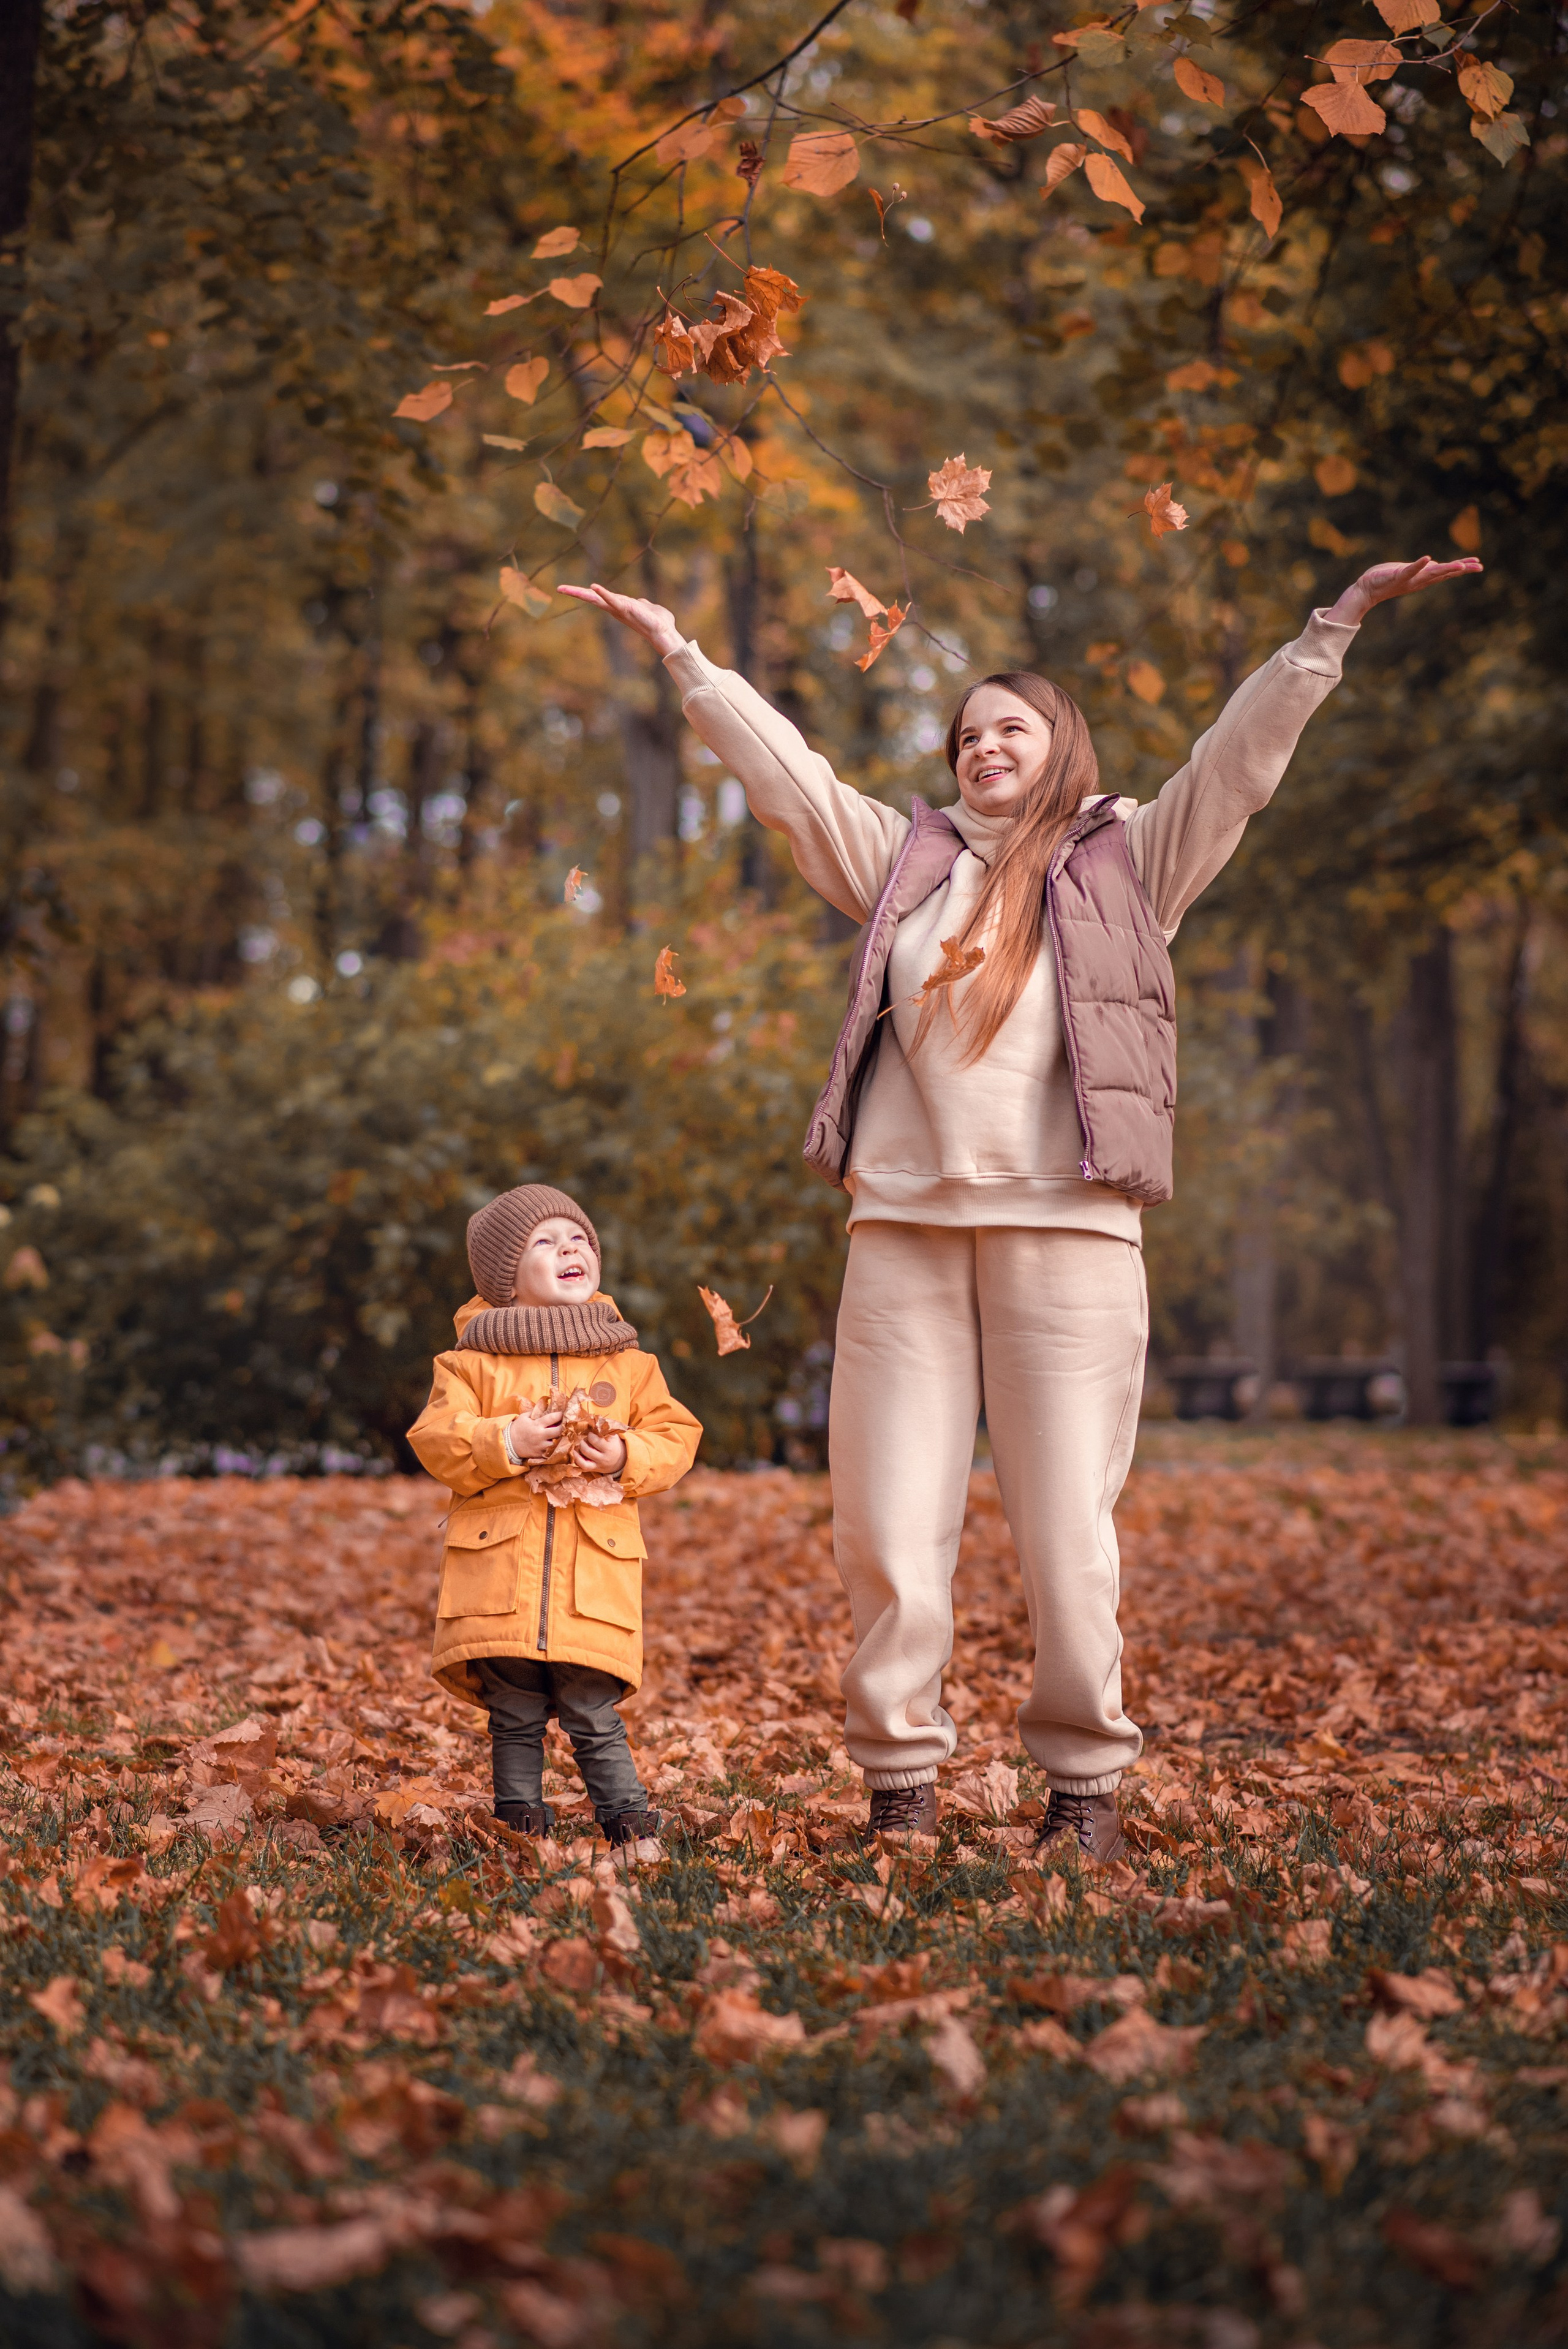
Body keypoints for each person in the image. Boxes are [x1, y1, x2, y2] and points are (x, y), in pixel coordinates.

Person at [562, 554, 1480, 1859]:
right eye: (965, 734)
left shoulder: (1129, 861)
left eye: (1009, 727)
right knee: (884, 1524)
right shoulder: (902, 863)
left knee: (1065, 1531)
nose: (981, 746)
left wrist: (1325, 630)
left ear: (1058, 747)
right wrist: (682, 657)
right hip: (903, 1236)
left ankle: (1083, 1796)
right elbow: (791, 785)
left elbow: (1237, 762)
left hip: (1071, 1235)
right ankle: (900, 1793)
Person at [408, 1183, 702, 1853]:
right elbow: (436, 1437)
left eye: (579, 1240)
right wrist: (505, 1443)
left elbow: (676, 1435)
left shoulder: (626, 1362)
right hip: (500, 1577)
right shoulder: (469, 1362)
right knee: (512, 1716)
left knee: (593, 1712)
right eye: (545, 1242)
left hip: (590, 1578)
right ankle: (518, 1827)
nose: (570, 1248)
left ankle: (628, 1826)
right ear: (505, 1279)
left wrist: (625, 1452)